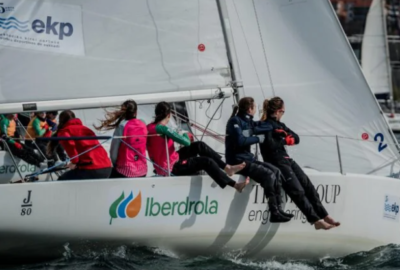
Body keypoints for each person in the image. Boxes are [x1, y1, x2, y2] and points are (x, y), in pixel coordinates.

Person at [258, 97, 340, 230]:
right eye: (283, 112)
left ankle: (324, 215)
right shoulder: (265, 125)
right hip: (275, 161)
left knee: (308, 186)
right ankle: (315, 221)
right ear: (279, 111)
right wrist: (283, 140)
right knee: (298, 190)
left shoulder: (280, 125)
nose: (283, 115)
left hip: (286, 159)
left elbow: (297, 138)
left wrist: (288, 137)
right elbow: (269, 145)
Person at [147, 101, 249, 192]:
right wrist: (184, 133)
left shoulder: (150, 127)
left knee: (199, 145)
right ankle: (235, 185)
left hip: (169, 160)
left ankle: (227, 168)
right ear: (169, 115)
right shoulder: (162, 128)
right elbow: (186, 142)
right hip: (171, 167)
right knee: (206, 161)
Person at [226, 97, 293, 223]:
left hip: (248, 159)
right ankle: (273, 212)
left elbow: (260, 126)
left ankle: (279, 209)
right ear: (250, 108)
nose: (256, 110)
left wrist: (276, 127)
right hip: (238, 162)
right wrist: (257, 138)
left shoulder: (248, 121)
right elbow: (240, 141)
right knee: (268, 175)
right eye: (255, 108)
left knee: (276, 171)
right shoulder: (234, 121)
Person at [47, 110, 112, 181]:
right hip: (107, 167)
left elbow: (71, 147)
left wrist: (74, 163)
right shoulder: (86, 128)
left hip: (91, 169)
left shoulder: (65, 132)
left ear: (61, 121)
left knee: (62, 180)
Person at [95, 100, 148, 178]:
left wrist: (115, 164)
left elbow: (113, 151)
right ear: (136, 112)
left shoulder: (122, 126)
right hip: (142, 170)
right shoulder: (143, 124)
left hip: (125, 171)